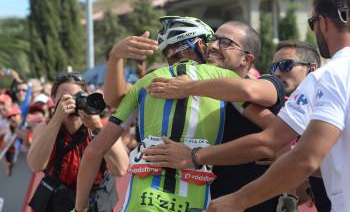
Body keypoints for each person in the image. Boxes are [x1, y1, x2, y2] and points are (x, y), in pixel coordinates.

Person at [103, 19, 286, 211]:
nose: (213, 46)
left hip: (253, 204)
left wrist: (189, 88)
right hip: (205, 202)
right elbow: (117, 100)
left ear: (246, 60)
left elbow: (258, 99)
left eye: (225, 43)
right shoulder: (189, 85)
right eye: (213, 39)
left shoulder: (262, 84)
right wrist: (116, 58)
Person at [199, 0, 350, 211]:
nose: (278, 72)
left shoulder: (330, 76)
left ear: (323, 22)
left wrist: (235, 199)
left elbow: (300, 155)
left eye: (312, 23)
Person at [27, 73, 128, 212]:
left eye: (78, 97)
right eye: (65, 98)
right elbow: (36, 165)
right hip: (57, 201)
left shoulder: (104, 126)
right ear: (53, 100)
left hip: (94, 202)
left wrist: (98, 128)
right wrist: (56, 119)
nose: (72, 103)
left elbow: (121, 169)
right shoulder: (45, 127)